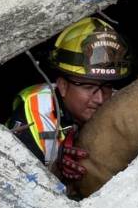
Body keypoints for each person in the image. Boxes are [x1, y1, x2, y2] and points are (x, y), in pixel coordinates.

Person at [9, 17, 131, 182]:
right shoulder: (34, 115)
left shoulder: (120, 105)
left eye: (107, 86)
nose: (100, 99)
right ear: (63, 86)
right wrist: (56, 170)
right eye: (88, 86)